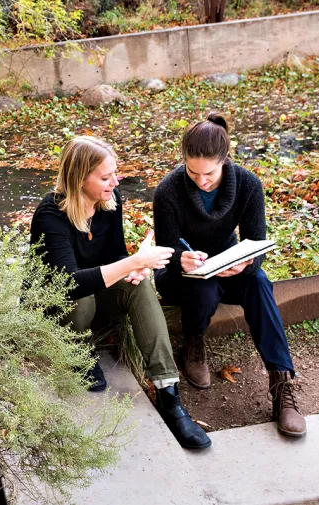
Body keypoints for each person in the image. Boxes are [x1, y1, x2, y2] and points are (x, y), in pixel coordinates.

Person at [30, 135, 210, 450]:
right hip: (56, 309)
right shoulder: (50, 215)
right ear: (79, 178)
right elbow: (68, 282)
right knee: (81, 296)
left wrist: (134, 269)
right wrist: (133, 261)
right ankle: (76, 351)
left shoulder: (110, 202)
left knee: (138, 285)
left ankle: (169, 394)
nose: (115, 181)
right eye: (105, 177)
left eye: (115, 172)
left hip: (94, 297)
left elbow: (113, 257)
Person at [152, 114, 307, 438]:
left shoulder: (248, 184)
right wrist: (183, 259)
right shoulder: (168, 190)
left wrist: (247, 263)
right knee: (204, 290)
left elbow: (256, 240)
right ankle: (193, 345)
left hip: (226, 264)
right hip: (181, 275)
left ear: (224, 161)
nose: (200, 180)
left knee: (260, 282)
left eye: (208, 173)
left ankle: (282, 383)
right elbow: (166, 253)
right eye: (192, 172)